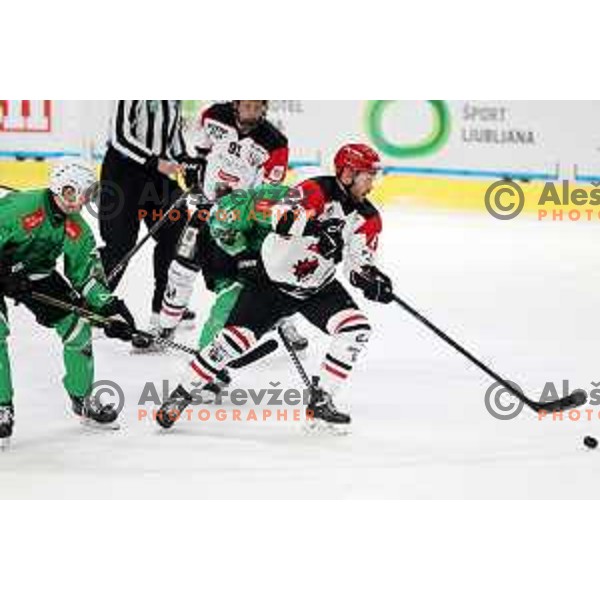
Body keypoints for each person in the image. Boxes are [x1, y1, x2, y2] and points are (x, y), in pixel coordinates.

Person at [156, 143, 394, 432]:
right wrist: (316, 228)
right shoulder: (316, 189)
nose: (372, 182)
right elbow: (281, 216)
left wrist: (371, 280)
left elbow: (357, 266)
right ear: (347, 174)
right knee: (230, 343)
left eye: (372, 175)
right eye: (367, 175)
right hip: (270, 283)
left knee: (355, 329)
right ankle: (181, 394)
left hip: (317, 287)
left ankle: (322, 400)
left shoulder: (369, 218)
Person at [0, 160, 136, 443]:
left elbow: (86, 276)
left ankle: (82, 397)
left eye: (86, 195)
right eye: (74, 193)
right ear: (59, 188)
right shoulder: (19, 208)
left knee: (78, 326)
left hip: (36, 274)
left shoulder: (77, 228)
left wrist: (110, 308)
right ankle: (2, 407)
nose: (79, 201)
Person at [156, 101, 307, 352]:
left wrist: (237, 200)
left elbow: (266, 192)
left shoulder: (275, 143)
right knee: (181, 266)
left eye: (257, 106)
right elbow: (200, 153)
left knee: (264, 273)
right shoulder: (213, 116)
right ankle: (164, 328)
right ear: (235, 104)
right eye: (246, 105)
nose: (252, 110)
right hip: (207, 207)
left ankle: (285, 323)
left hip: (244, 217)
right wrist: (194, 169)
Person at [98, 100, 193, 335]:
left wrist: (185, 160)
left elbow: (174, 134)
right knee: (120, 245)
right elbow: (120, 136)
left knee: (176, 232)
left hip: (158, 176)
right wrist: (155, 162)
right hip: (123, 173)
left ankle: (164, 309)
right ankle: (93, 301)